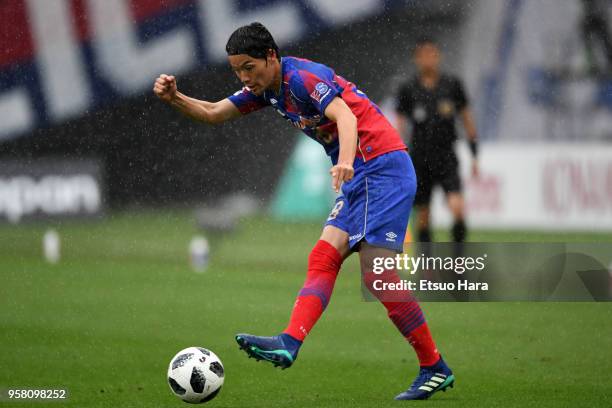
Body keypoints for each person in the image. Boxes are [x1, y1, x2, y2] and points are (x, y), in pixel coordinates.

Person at [153, 22, 454, 400]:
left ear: (271, 57)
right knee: (324, 256)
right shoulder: (266, 89)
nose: (244, 78)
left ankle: (433, 365)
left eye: (249, 67)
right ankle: (290, 342)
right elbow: (215, 112)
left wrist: (344, 162)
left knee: (376, 274)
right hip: (363, 175)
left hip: (380, 168)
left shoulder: (302, 79)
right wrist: (176, 98)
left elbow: (346, 116)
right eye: (237, 71)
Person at [395, 38, 479, 244]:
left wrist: (474, 153)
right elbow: (400, 124)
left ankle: (458, 260)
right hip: (420, 158)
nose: (428, 59)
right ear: (417, 58)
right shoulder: (408, 89)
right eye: (423, 55)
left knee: (457, 207)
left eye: (431, 54)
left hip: (447, 156)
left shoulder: (452, 85)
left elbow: (467, 118)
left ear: (438, 56)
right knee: (423, 216)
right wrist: (397, 155)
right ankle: (427, 266)